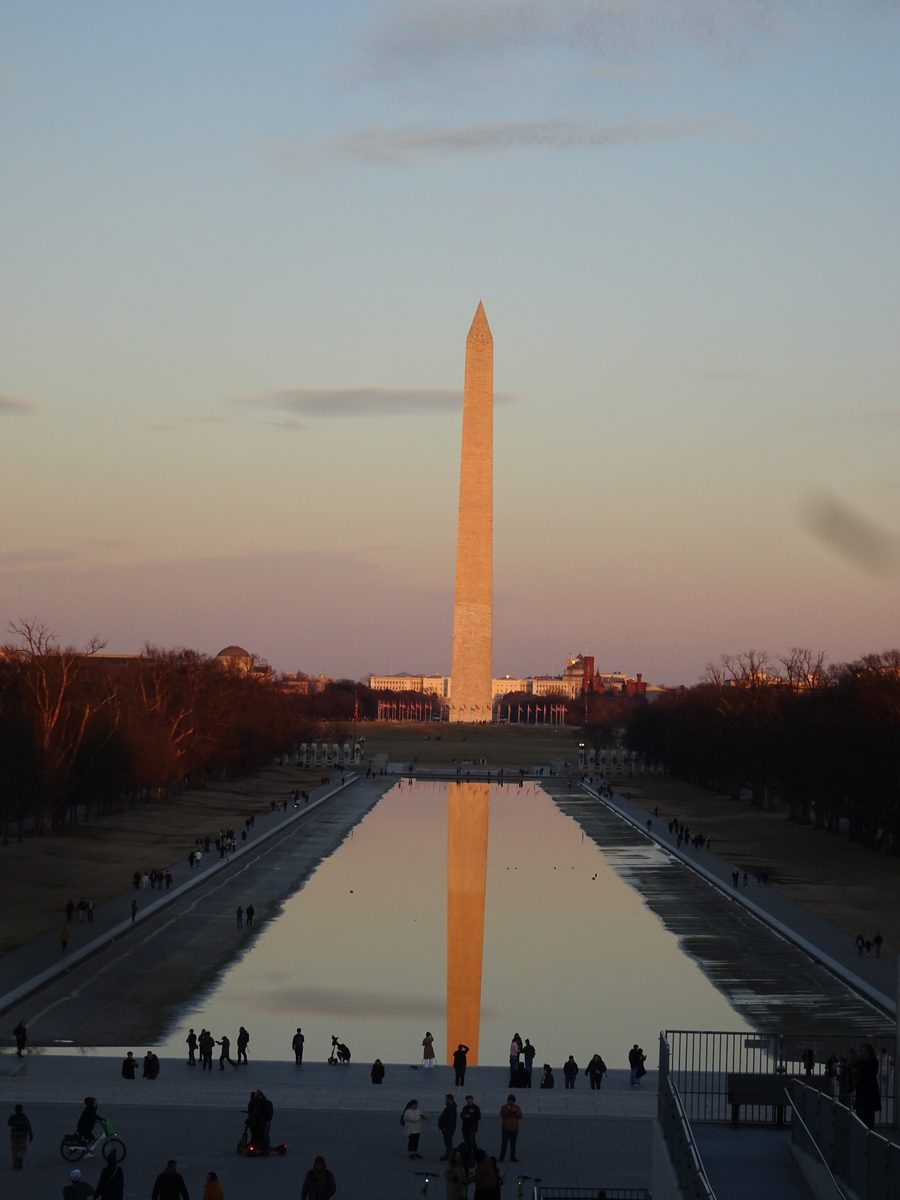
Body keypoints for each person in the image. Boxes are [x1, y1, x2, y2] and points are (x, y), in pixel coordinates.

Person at [854, 1043, 881, 1130]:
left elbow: (869, 1074)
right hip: (862, 1090)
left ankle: (869, 1130)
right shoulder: (861, 1061)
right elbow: (852, 1068)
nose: (862, 1053)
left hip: (869, 1091)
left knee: (869, 1112)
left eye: (864, 1051)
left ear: (869, 1052)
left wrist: (857, 1072)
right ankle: (861, 1128)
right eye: (861, 1051)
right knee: (861, 1111)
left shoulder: (874, 1061)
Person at [7, 1103, 33, 1169]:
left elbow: (9, 1123)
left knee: (14, 1150)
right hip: (23, 1136)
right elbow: (28, 1126)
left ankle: (15, 1163)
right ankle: (20, 1159)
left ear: (15, 1110)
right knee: (23, 1149)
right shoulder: (24, 1117)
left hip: (14, 1136)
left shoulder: (12, 1117)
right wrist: (31, 1134)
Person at [498, 1094, 522, 1163]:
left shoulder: (517, 1107)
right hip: (505, 1128)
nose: (510, 1102)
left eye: (512, 1101)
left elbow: (520, 1116)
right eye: (509, 1101)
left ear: (514, 1101)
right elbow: (503, 1115)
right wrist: (508, 1110)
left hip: (514, 1128)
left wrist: (515, 1111)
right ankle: (501, 1157)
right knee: (504, 1144)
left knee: (513, 1144)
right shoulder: (504, 1107)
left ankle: (513, 1157)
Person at [438, 1093, 458, 1160]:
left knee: (448, 1142)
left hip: (448, 1128)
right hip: (448, 1128)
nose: (445, 1100)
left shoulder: (451, 1107)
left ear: (449, 1099)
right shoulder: (450, 1107)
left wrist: (445, 1127)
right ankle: (449, 1155)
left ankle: (448, 1156)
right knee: (448, 1142)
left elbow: (450, 1119)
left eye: (446, 1099)